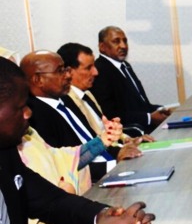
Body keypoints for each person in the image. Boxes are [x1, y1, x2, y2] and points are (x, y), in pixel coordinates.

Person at [0, 56, 155, 224]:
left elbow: (49, 200)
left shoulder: (5, 152)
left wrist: (105, 215)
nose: (29, 113)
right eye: (20, 107)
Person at [21, 50, 140, 182]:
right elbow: (63, 167)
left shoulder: (65, 99)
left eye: (66, 69)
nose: (68, 75)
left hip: (110, 168)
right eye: (60, 71)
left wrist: (122, 151)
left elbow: (90, 141)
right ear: (38, 80)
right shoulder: (33, 116)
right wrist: (113, 165)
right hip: (90, 183)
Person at [57, 42, 154, 144]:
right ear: (69, 72)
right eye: (88, 68)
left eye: (94, 66)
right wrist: (121, 148)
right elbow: (90, 141)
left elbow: (105, 129)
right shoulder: (66, 102)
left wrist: (129, 139)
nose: (96, 72)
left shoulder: (88, 94)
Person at [91, 26, 172, 132]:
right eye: (116, 41)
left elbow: (141, 105)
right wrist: (149, 118)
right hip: (133, 134)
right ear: (102, 47)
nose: (123, 46)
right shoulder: (99, 71)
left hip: (148, 128)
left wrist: (161, 109)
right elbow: (109, 114)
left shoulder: (125, 66)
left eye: (125, 41)